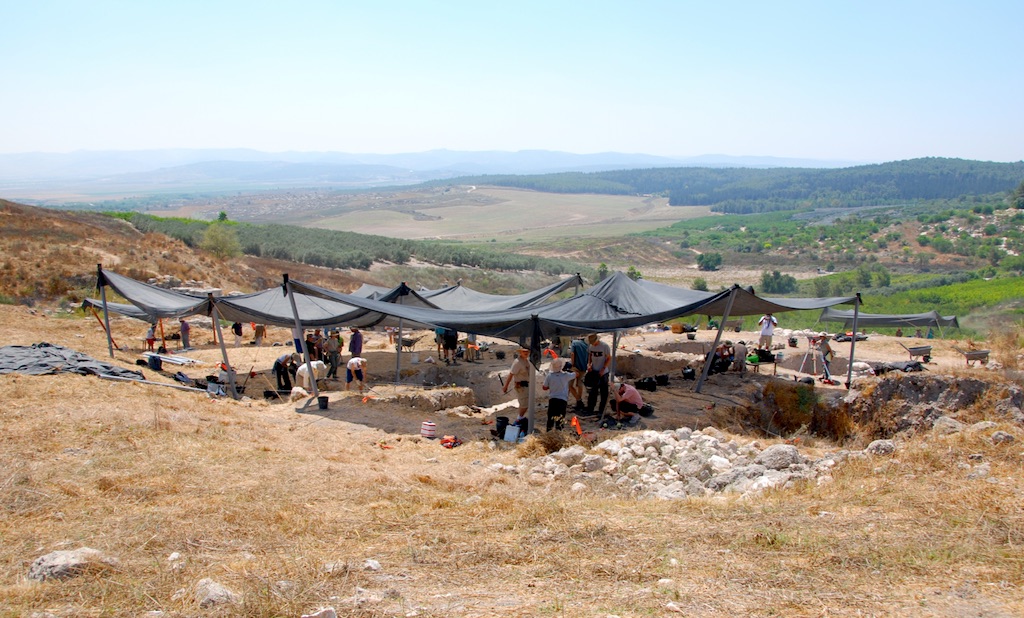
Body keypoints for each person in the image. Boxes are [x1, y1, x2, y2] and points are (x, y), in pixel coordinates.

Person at [502, 348, 532, 433]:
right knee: (524, 404)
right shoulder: (517, 362)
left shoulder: (526, 361)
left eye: (527, 352)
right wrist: (506, 386)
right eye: (524, 351)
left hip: (526, 385)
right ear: (520, 352)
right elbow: (511, 374)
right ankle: (518, 420)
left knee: (525, 403)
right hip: (521, 386)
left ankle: (520, 419)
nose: (526, 353)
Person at [542, 361, 575, 431]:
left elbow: (544, 387)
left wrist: (551, 386)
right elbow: (576, 374)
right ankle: (559, 432)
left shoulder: (550, 375)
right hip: (562, 400)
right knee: (560, 419)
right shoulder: (566, 375)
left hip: (552, 399)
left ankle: (549, 432)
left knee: (550, 418)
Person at [585, 334, 612, 417]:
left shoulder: (604, 346)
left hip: (603, 372)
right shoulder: (591, 346)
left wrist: (603, 368)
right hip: (594, 371)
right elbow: (590, 355)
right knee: (593, 391)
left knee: (604, 392)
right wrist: (589, 364)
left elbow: (609, 358)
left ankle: (602, 410)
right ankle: (590, 408)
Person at [569, 336, 589, 411]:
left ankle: (578, 400)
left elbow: (572, 354)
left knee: (570, 385)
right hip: (583, 367)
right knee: (579, 385)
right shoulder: (586, 345)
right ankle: (579, 402)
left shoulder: (574, 343)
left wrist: (572, 364)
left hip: (575, 367)